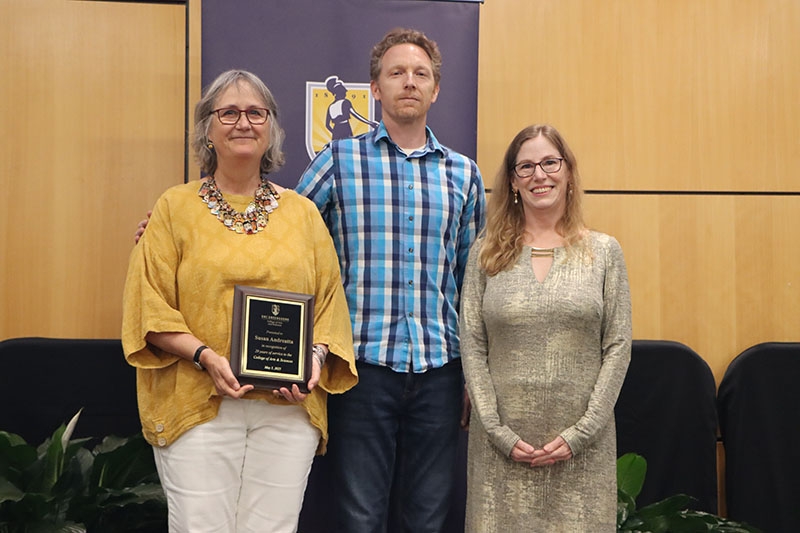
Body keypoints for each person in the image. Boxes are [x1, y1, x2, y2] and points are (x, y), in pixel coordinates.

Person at [122, 69, 357, 533]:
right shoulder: (174, 208)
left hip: (288, 408)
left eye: (255, 112)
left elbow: (330, 301)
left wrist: (313, 359)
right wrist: (207, 358)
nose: (243, 122)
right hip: (198, 401)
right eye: (228, 112)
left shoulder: (304, 214)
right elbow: (148, 303)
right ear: (207, 129)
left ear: (270, 128)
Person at [295, 28, 485, 533]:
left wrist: (473, 374)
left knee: (427, 519)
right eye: (396, 73)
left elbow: (474, 282)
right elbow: (282, 241)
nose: (409, 82)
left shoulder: (464, 175)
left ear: (436, 89)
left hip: (440, 371)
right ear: (374, 89)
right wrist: (192, 221)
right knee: (359, 518)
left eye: (420, 74)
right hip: (360, 369)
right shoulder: (337, 161)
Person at [459, 124, 632, 532]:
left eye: (550, 162)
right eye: (526, 167)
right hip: (500, 453)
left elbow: (618, 346)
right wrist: (498, 432)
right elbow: (472, 342)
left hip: (582, 454)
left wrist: (581, 434)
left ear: (568, 172)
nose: (539, 175)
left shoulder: (604, 252)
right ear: (514, 182)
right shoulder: (485, 253)